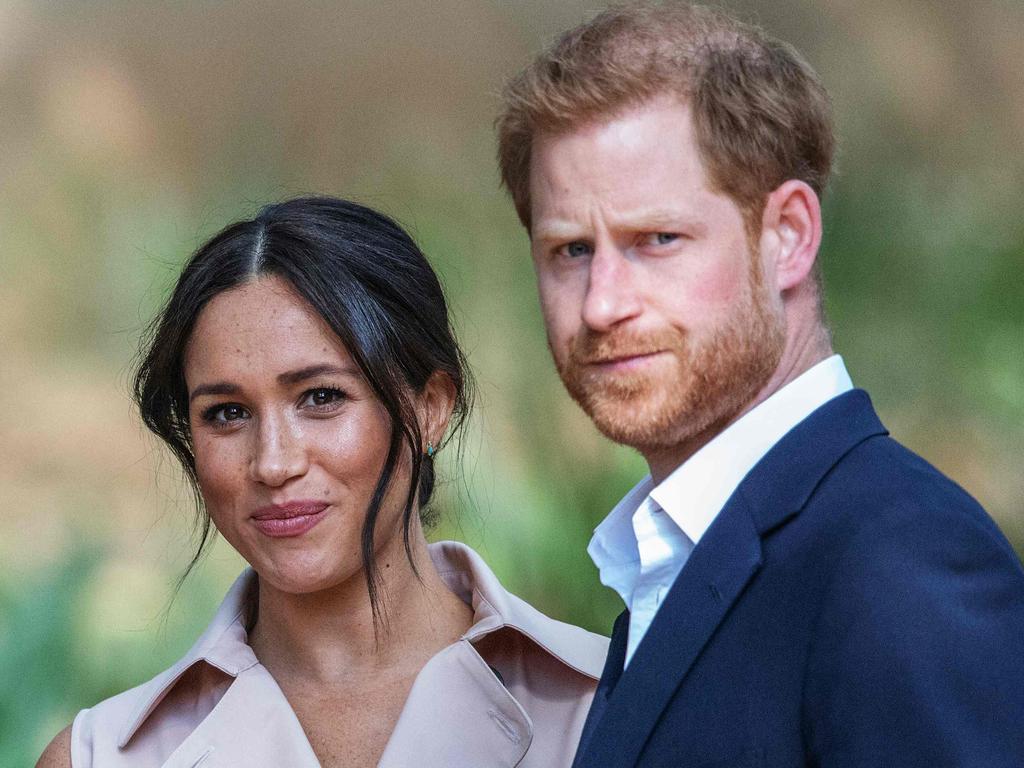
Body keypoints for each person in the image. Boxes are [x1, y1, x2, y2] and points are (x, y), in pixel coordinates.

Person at [496, 3, 1024, 766]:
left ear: (789, 237)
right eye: (571, 250)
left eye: (657, 240)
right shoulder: (675, 560)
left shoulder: (902, 566)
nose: (603, 302)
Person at [37, 196, 607, 768]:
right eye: (227, 413)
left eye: (321, 398)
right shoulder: (101, 756)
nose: (274, 463)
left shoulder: (607, 705)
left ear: (431, 408)